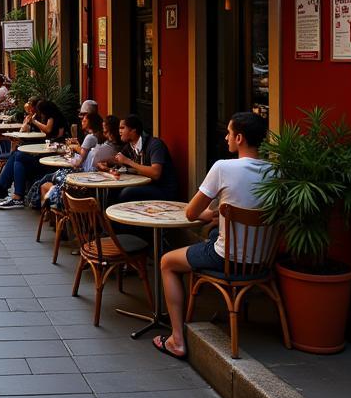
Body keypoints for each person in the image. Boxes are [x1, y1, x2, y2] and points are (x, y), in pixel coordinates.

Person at [155, 111, 271, 361]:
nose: (226, 137)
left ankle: (176, 339)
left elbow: (190, 213)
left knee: (167, 262)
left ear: (239, 137)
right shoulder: (275, 172)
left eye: (229, 133)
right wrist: (219, 214)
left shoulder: (223, 167)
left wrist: (207, 214)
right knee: (215, 233)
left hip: (225, 258)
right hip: (262, 260)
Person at [0, 99, 69, 209]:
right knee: (16, 154)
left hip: (52, 157)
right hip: (46, 153)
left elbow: (48, 130)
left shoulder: (55, 119)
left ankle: (16, 195)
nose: (41, 115)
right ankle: (4, 189)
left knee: (19, 156)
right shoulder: (51, 118)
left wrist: (34, 122)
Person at [107, 114, 180, 202]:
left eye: (122, 128)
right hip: (147, 185)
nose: (119, 131)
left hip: (163, 189)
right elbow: (117, 161)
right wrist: (110, 168)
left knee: (127, 193)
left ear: (133, 130)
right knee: (113, 189)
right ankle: (107, 216)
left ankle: (125, 215)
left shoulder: (155, 145)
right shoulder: (129, 146)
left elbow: (156, 173)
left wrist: (129, 162)